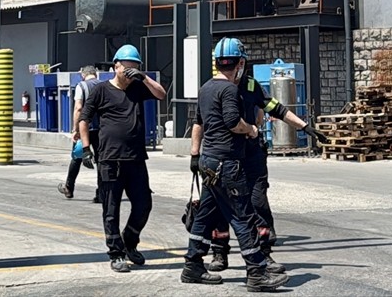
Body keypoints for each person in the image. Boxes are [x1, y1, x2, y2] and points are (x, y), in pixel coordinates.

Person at [206, 45, 327, 273]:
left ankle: (264, 253)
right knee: (220, 207)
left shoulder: (251, 86)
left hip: (251, 155)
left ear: (241, 62)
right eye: (222, 61)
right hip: (226, 155)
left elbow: (275, 108)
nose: (228, 66)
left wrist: (305, 127)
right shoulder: (214, 87)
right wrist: (195, 155)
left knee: (258, 203)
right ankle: (219, 252)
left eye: (231, 61)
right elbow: (200, 122)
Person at [181, 38, 290, 290]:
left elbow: (199, 122)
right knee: (242, 216)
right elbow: (232, 121)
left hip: (209, 161)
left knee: (206, 215)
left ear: (217, 62)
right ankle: (257, 273)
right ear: (240, 63)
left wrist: (195, 155)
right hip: (227, 163)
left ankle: (192, 265)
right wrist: (250, 129)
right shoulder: (229, 89)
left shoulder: (206, 88)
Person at [78, 44, 166, 273]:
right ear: (115, 66)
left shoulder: (138, 87)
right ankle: (116, 254)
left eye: (133, 69)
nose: (129, 73)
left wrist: (143, 77)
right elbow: (84, 119)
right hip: (110, 159)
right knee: (111, 208)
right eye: (125, 68)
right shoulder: (101, 90)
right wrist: (86, 148)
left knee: (144, 204)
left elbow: (161, 94)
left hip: (136, 159)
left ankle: (130, 241)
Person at [59, 65, 102, 202]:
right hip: (102, 130)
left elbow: (78, 108)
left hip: (85, 129)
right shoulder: (104, 85)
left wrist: (75, 129)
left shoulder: (81, 86)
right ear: (95, 74)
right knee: (102, 161)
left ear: (83, 75)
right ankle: (101, 192)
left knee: (77, 157)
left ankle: (69, 188)